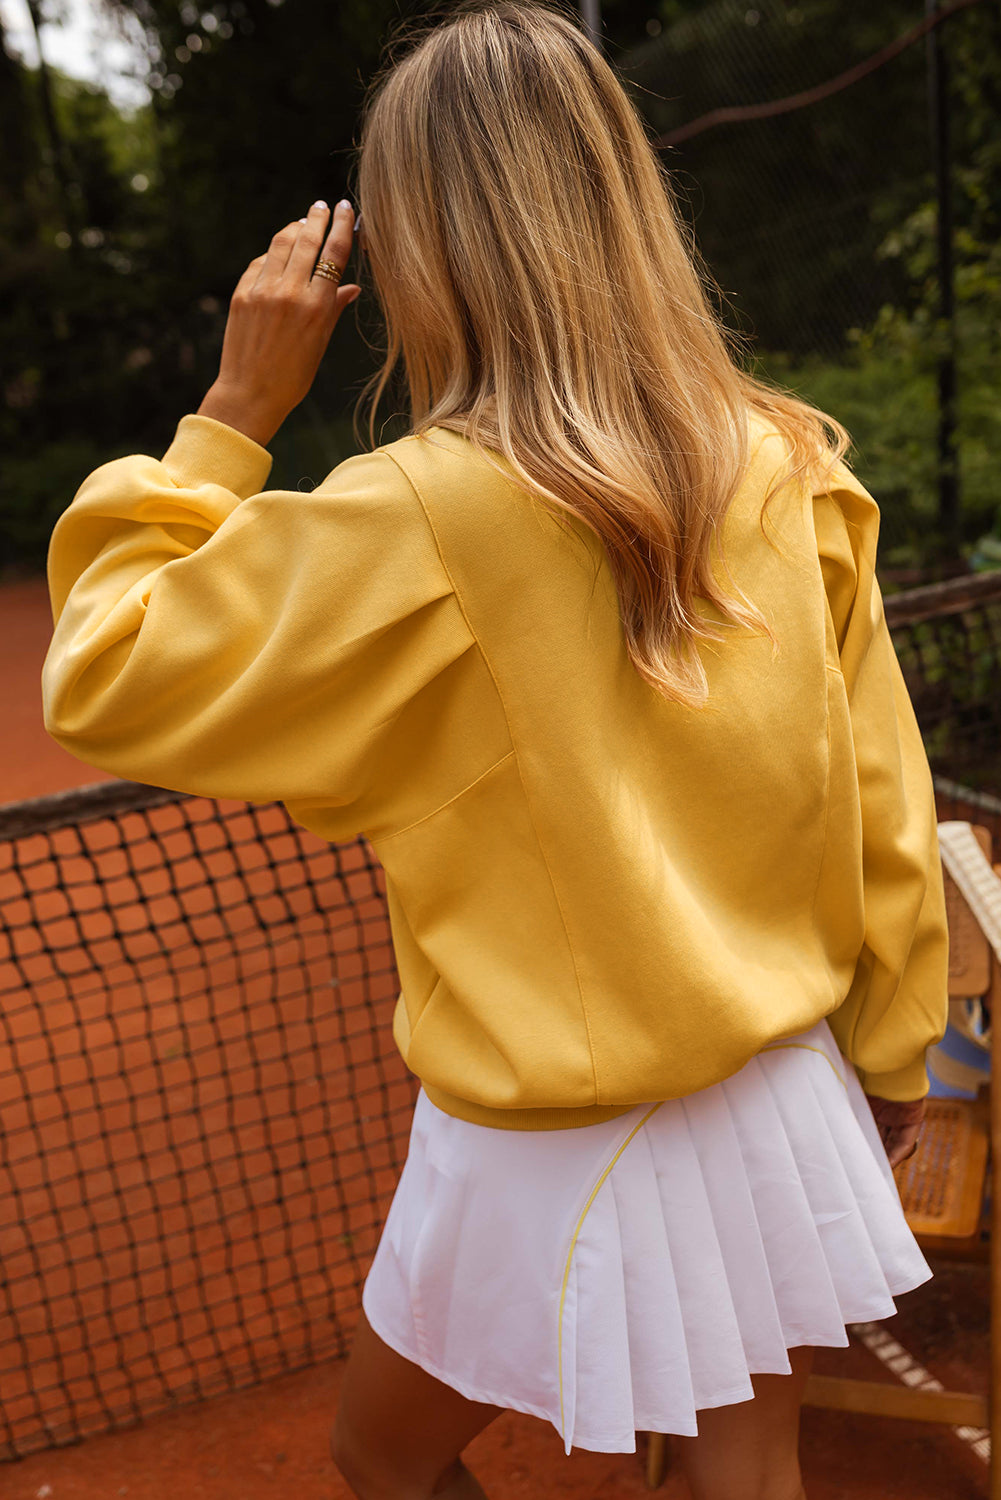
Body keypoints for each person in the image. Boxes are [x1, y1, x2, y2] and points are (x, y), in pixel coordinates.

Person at [41, 3, 949, 1498]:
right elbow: (882, 798)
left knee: (382, 1459)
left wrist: (232, 411)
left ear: (420, 245)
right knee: (747, 1476)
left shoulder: (415, 512)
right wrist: (894, 1044)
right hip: (785, 1078)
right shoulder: (786, 457)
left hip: (552, 1132)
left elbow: (107, 671)